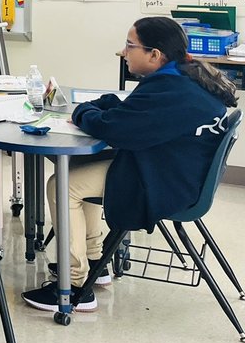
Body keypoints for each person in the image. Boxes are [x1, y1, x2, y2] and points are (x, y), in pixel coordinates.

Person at [23, 16, 238, 313]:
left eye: (130, 45)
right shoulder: (181, 78)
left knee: (62, 186)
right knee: (74, 173)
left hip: (166, 183)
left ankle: (73, 288)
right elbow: (129, 110)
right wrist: (97, 107)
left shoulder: (170, 90)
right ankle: (96, 261)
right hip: (179, 173)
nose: (124, 52)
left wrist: (83, 113)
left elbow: (116, 129)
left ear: (154, 55)